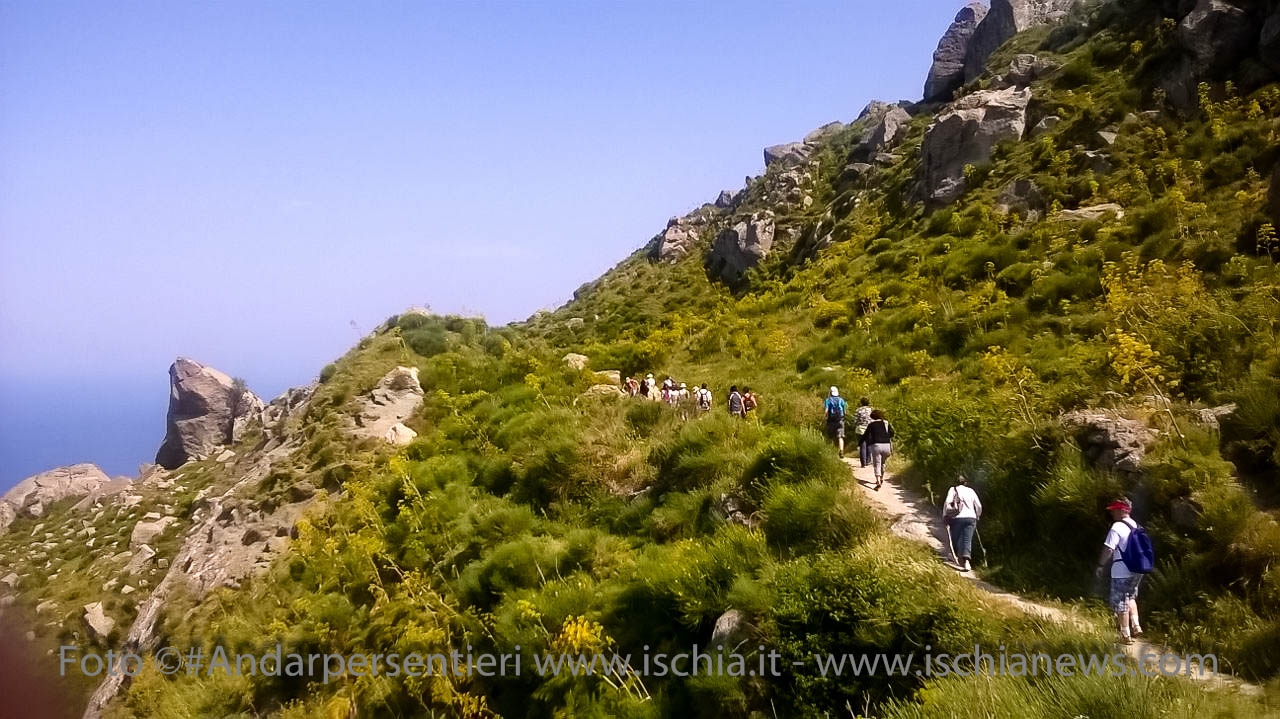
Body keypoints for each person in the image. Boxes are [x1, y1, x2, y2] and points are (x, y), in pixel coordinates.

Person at [1095, 498, 1145, 644]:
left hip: (1121, 570)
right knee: (1130, 597)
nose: (1112, 513)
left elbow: (1109, 548)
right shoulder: (1137, 526)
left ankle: (1125, 634)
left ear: (1122, 510)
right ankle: (1136, 625)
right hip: (1137, 569)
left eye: (1114, 510)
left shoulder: (1117, 526)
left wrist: (1100, 565)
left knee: (1121, 601)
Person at [943, 475, 982, 571]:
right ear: (965, 482)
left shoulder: (953, 489)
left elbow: (947, 503)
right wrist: (977, 516)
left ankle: (953, 555)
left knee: (955, 538)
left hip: (957, 518)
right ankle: (966, 563)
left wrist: (945, 516)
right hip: (971, 518)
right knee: (967, 540)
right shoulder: (971, 491)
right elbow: (979, 506)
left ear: (955, 482)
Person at [863, 409, 894, 489]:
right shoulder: (886, 423)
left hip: (876, 445)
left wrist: (860, 443)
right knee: (883, 463)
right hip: (887, 446)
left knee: (877, 463)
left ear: (873, 416)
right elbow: (892, 433)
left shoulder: (871, 424)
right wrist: (886, 437)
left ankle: (878, 482)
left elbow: (865, 435)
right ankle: (881, 478)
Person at [824, 387, 848, 456]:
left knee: (830, 437)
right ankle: (841, 451)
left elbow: (826, 411)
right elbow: (845, 412)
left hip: (831, 421)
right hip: (840, 420)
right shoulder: (841, 400)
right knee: (840, 437)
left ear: (830, 393)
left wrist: (825, 417)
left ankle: (830, 452)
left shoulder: (828, 400)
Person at [852, 397, 874, 468]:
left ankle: (863, 463)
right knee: (869, 444)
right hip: (870, 429)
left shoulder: (858, 410)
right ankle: (868, 461)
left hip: (860, 429)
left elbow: (854, 420)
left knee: (863, 445)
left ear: (861, 403)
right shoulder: (871, 410)